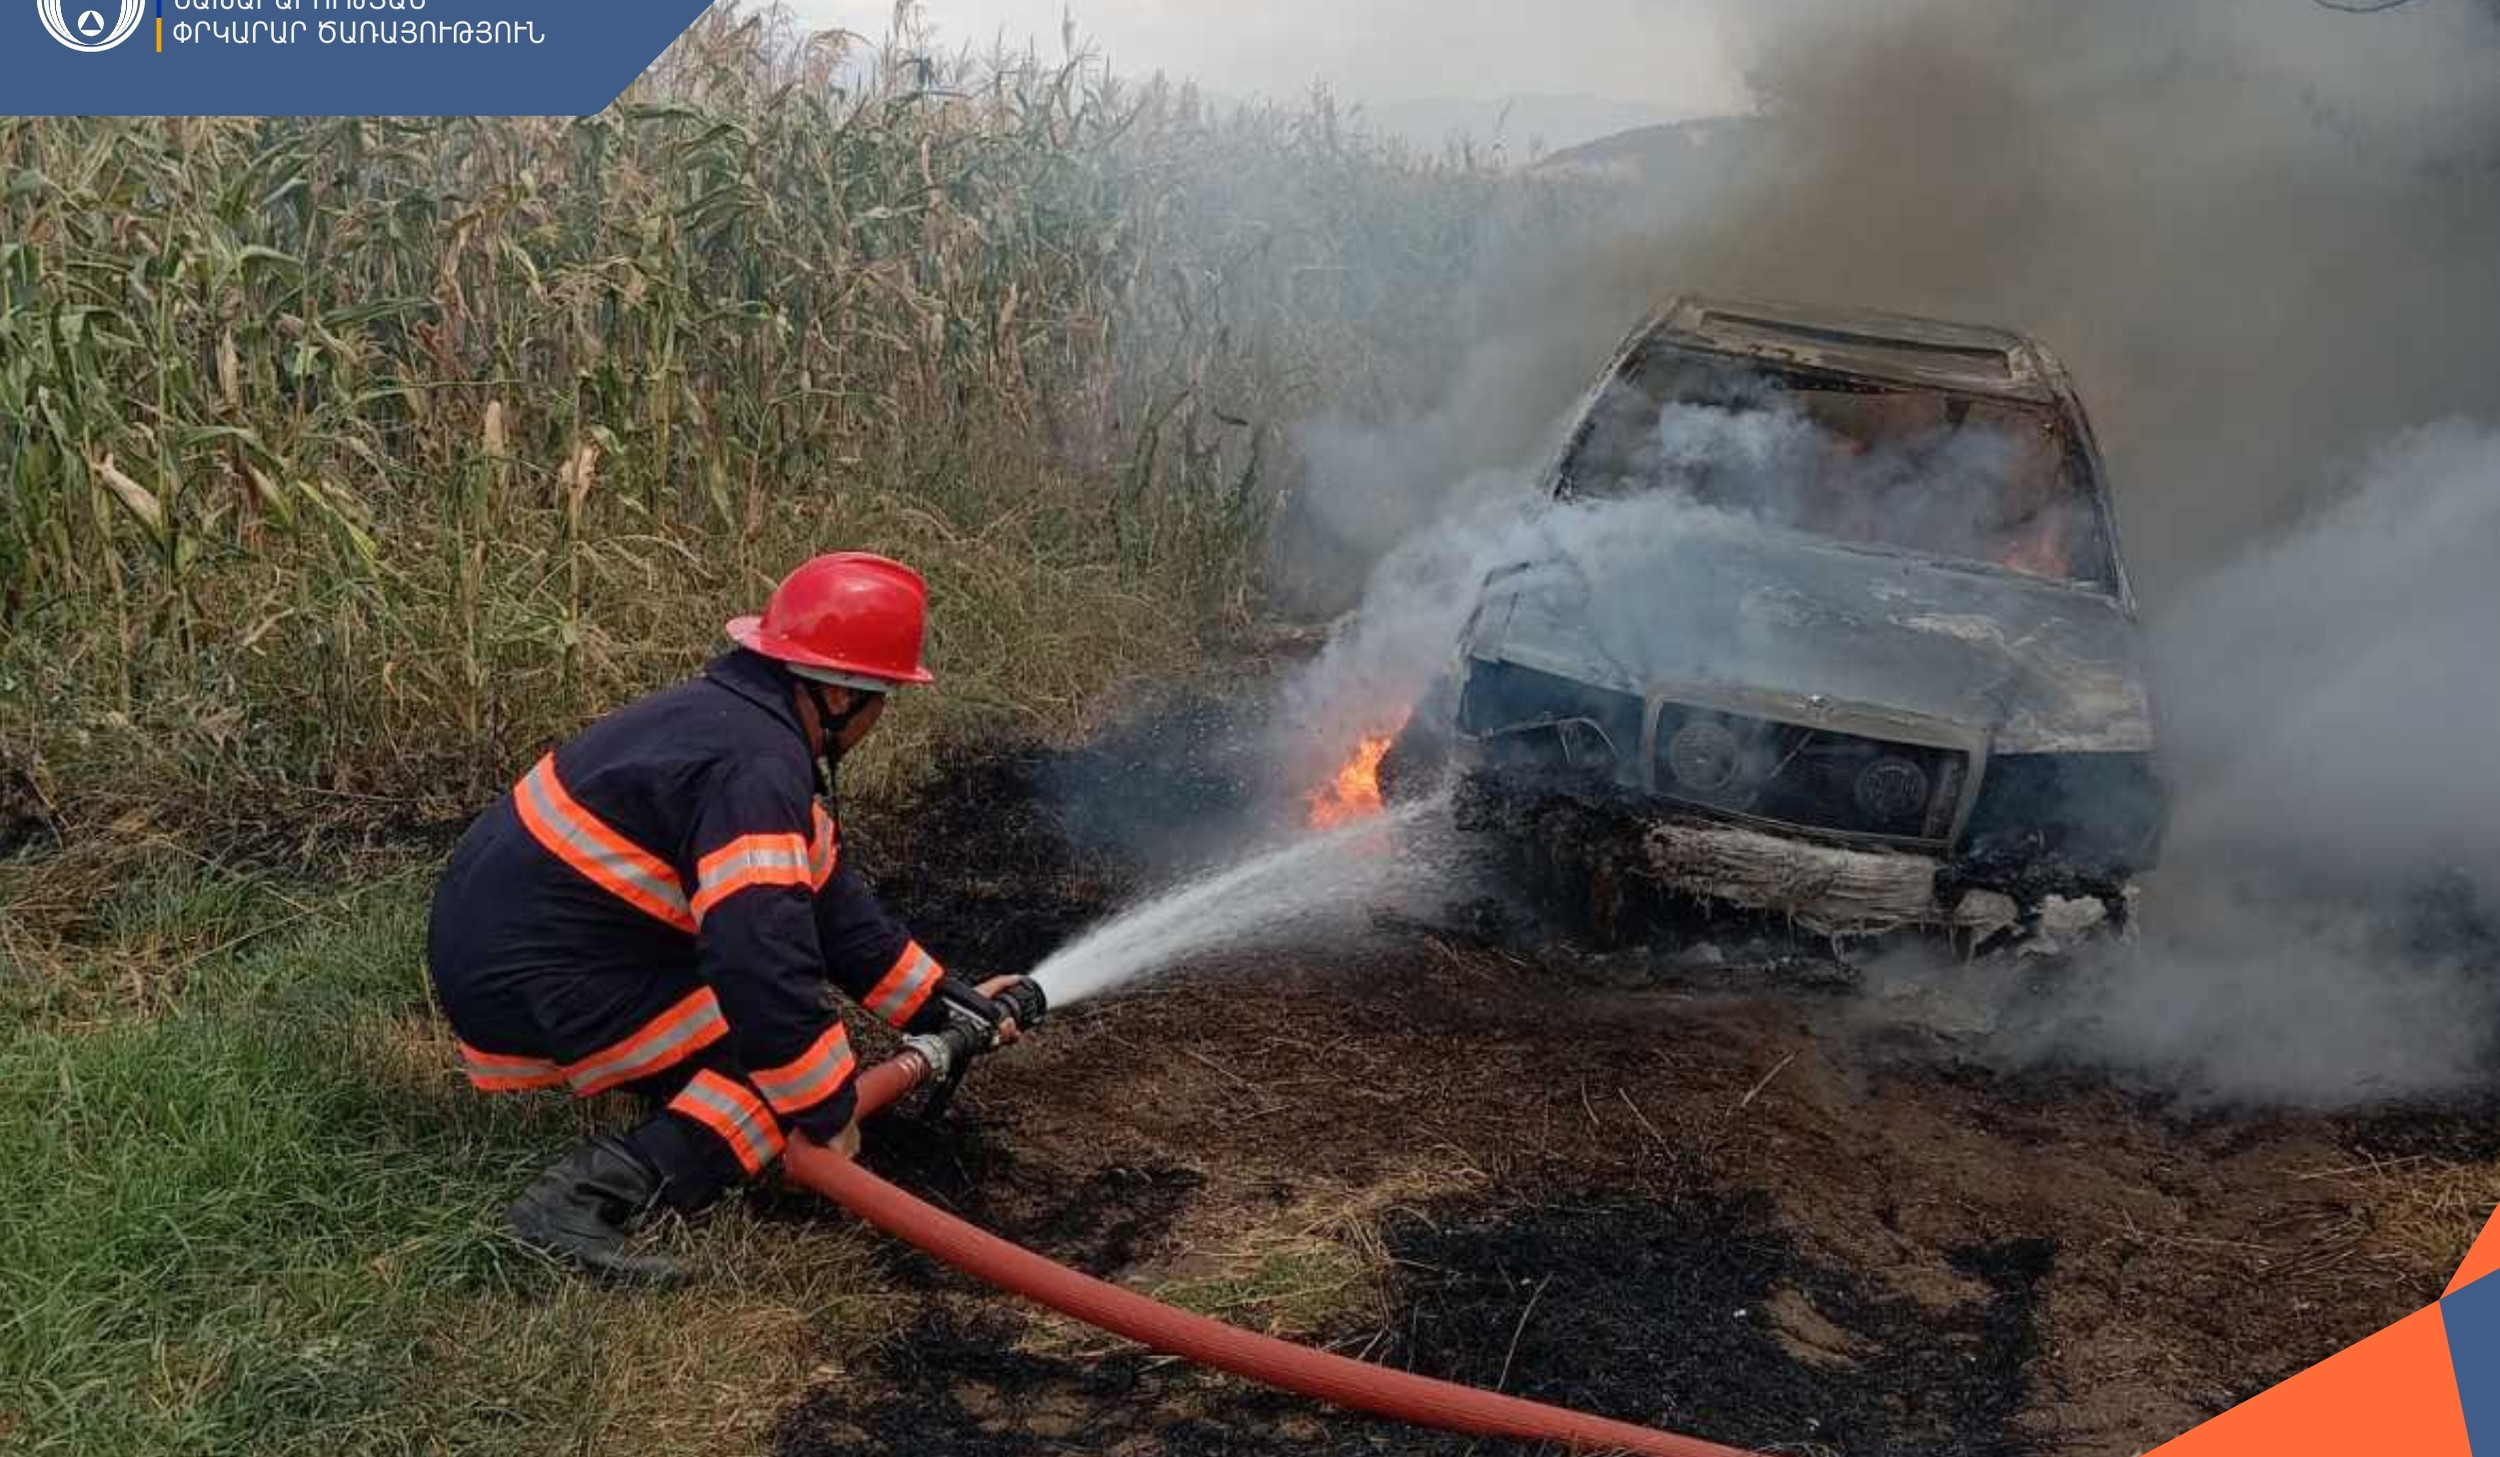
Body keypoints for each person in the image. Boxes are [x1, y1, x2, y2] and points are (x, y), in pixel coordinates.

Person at [425, 551, 1025, 1278]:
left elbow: (834, 908)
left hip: (517, 940)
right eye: (882, 699)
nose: (879, 719)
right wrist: (823, 1111)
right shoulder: (756, 767)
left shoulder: (734, 722)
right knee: (785, 1066)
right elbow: (759, 958)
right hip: (537, 970)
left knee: (788, 1054)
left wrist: (938, 1002)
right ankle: (579, 1200)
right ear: (840, 695)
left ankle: (690, 1107)